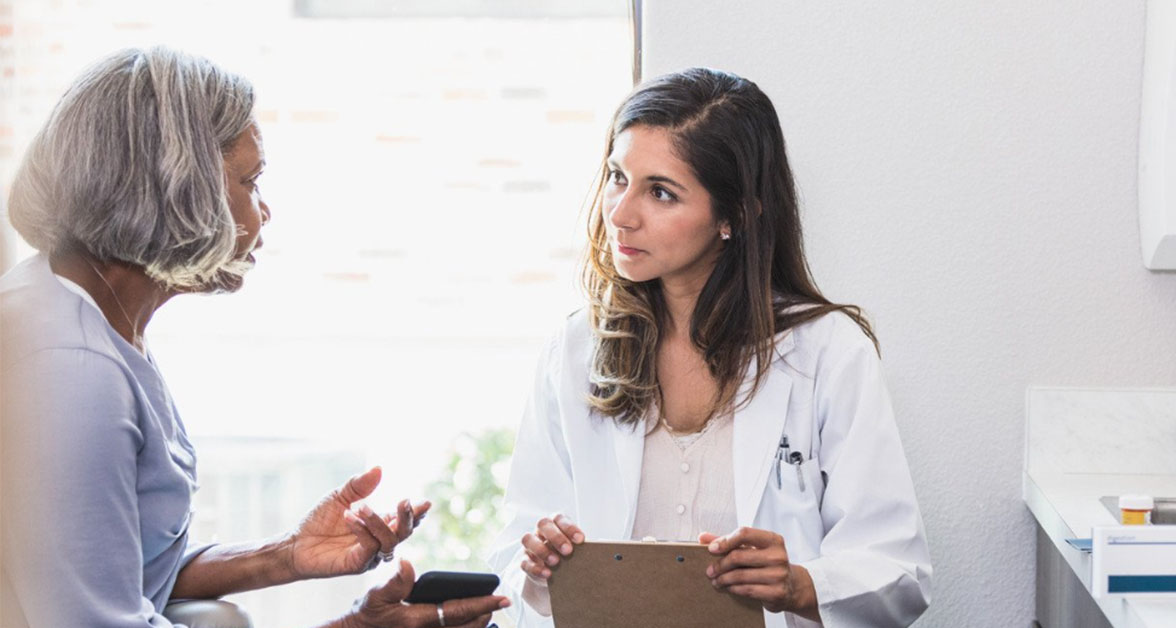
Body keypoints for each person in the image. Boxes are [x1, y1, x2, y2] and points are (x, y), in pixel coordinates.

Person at [0, 47, 507, 628]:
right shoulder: (71, 372)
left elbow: (118, 570)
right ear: (178, 187)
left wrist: (287, 555)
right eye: (250, 180)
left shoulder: (82, 311)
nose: (264, 212)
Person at [487, 67, 932, 627]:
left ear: (735, 215)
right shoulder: (574, 350)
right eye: (617, 177)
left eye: (661, 192)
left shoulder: (827, 354)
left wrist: (799, 584)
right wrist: (541, 570)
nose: (621, 214)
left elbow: (899, 572)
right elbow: (509, 564)